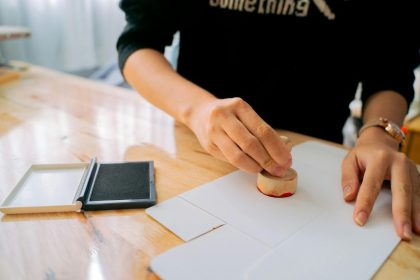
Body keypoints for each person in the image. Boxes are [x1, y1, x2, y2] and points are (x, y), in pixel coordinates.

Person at [117, 0, 420, 240]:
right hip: (198, 154)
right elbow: (138, 43)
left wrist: (379, 136)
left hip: (322, 173)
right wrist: (197, 110)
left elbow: (391, 68)